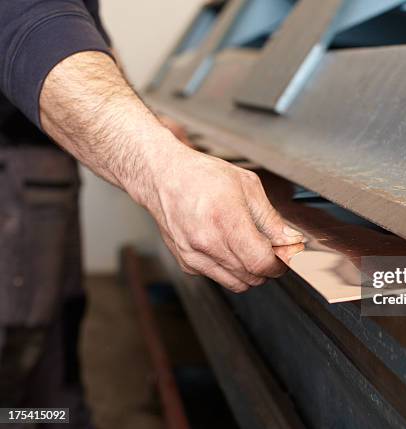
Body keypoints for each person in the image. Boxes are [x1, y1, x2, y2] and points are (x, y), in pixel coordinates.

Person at [0, 0, 304, 420]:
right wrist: (160, 165)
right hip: (12, 176)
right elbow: (25, 20)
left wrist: (149, 122)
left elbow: (83, 29)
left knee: (52, 357)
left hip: (43, 173)